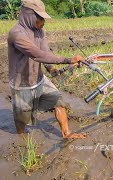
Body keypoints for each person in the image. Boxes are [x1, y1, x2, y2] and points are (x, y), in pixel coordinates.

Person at [7, 0, 86, 139]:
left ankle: (66, 134)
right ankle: (22, 141)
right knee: (22, 120)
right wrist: (68, 60)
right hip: (22, 85)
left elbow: (45, 51)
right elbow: (36, 55)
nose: (43, 21)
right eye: (40, 18)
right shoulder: (16, 34)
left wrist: (51, 68)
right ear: (28, 15)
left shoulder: (39, 31)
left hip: (39, 79)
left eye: (43, 18)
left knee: (58, 101)